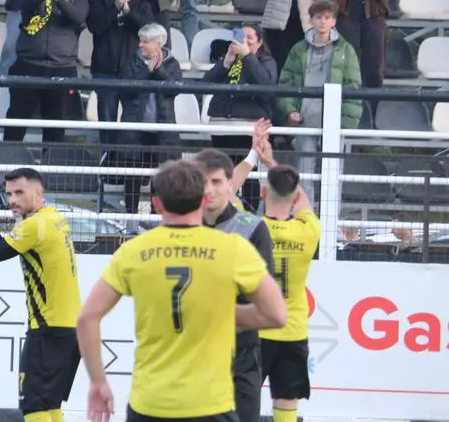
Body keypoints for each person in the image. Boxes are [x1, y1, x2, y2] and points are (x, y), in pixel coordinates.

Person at [76, 159, 286, 422]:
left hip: (150, 404)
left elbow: (87, 318)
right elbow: (276, 315)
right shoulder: (233, 248)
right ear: (203, 200)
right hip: (210, 406)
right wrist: (220, 311)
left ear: (157, 205)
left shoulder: (133, 251)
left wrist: (98, 382)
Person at [0, 169, 80, 422]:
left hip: (47, 330)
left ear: (38, 193)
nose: (12, 200)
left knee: (34, 409)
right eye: (9, 194)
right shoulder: (55, 218)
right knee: (50, 406)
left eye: (19, 193)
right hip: (70, 331)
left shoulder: (34, 226)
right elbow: (2, 245)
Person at [195, 148, 276, 422]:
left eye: (216, 181)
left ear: (231, 184)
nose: (209, 189)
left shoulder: (252, 229)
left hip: (241, 352)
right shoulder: (178, 228)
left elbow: (264, 302)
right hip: (190, 352)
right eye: (202, 181)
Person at [253, 160, 321, 422]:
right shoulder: (309, 230)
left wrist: (257, 156)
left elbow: (226, 197)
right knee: (287, 397)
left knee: (243, 395)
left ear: (263, 193)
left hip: (256, 328)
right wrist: (272, 162)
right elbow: (304, 203)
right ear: (295, 197)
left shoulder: (252, 228)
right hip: (292, 328)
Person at [276, 0, 362, 195]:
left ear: (334, 21)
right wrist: (289, 111)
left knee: (332, 177)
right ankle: (307, 214)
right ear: (311, 20)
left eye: (327, 17)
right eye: (318, 17)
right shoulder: (298, 49)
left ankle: (329, 216)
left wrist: (347, 125)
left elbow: (353, 88)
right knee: (304, 177)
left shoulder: (346, 50)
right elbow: (285, 84)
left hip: (334, 123)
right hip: (305, 121)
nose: (323, 21)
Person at [5, 0, 88, 144]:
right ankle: (8, 160)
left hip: (61, 68)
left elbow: (78, 17)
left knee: (55, 125)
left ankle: (50, 163)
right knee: (16, 120)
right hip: (27, 65)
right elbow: (25, 7)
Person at [204, 24, 278, 210]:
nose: (244, 41)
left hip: (247, 127)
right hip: (221, 125)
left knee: (248, 175)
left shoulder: (266, 61)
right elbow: (205, 83)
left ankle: (250, 216)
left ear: (259, 42)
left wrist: (247, 56)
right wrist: (225, 63)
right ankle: (223, 211)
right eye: (240, 37)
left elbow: (265, 85)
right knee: (222, 173)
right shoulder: (228, 58)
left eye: (249, 38)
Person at [111, 22, 183, 214]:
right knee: (132, 179)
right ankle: (130, 218)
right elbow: (126, 89)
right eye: (140, 41)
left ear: (159, 44)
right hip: (135, 132)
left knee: (160, 180)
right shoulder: (131, 62)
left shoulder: (172, 64)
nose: (140, 45)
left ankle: (156, 218)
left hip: (163, 132)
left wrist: (158, 71)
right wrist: (147, 71)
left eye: (145, 41)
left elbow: (175, 89)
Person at [87, 0, 155, 145]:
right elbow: (95, 27)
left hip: (133, 71)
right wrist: (115, 7)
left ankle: (128, 163)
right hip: (105, 71)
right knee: (107, 125)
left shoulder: (140, 3)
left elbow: (148, 30)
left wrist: (127, 11)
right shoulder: (98, 2)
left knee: (132, 126)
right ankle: (107, 162)